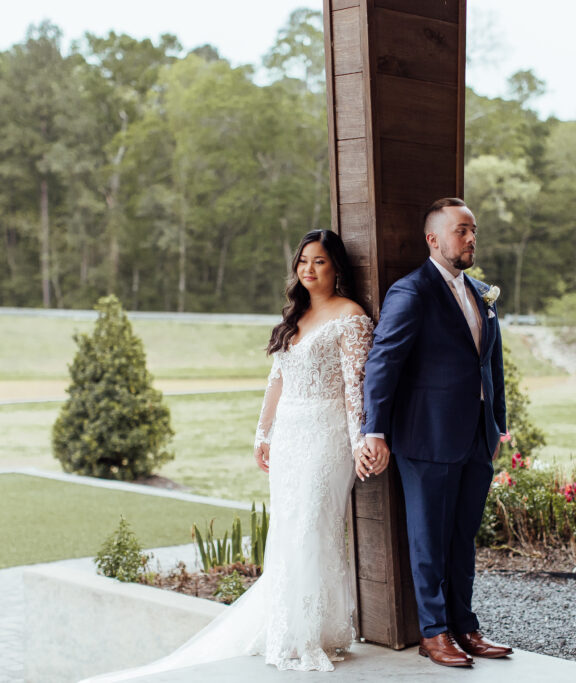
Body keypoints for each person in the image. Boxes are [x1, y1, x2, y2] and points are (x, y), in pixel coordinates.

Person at [83, 230, 374, 680]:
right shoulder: (294, 317)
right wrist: (263, 433)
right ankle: (294, 625)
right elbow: (276, 379)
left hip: (326, 436)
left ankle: (314, 631)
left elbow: (358, 389)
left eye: (318, 261)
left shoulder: (351, 317)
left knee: (315, 525)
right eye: (302, 261)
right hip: (290, 437)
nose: (308, 270)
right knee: (289, 527)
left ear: (336, 267)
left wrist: (360, 443)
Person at [360, 197, 514, 668]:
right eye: (461, 230)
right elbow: (383, 364)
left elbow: (492, 365)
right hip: (425, 439)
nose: (470, 238)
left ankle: (466, 626)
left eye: (473, 231)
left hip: (475, 438)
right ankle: (434, 632)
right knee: (428, 540)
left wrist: (499, 427)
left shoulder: (480, 292)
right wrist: (374, 431)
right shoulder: (412, 292)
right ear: (434, 239)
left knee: (462, 537)